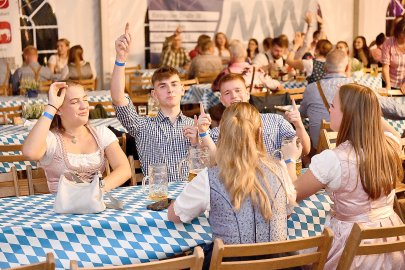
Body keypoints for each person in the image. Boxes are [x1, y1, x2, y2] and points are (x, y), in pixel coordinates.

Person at [283, 83, 405, 269]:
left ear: (348, 114)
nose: (329, 110)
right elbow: (392, 132)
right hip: (391, 243)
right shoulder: (390, 146)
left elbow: (291, 194)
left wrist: (291, 159)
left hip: (351, 247)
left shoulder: (333, 160)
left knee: (292, 255)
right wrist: (366, 104)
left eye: (332, 106)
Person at [168, 102, 296, 269]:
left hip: (229, 264)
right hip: (279, 266)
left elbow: (175, 215)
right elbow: (287, 212)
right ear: (259, 133)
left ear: (222, 135)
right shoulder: (280, 169)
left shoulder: (209, 177)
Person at [111, 24, 198, 182]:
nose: (170, 90)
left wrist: (202, 139)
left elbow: (213, 166)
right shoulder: (142, 126)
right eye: (162, 86)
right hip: (158, 200)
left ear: (182, 89)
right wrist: (120, 59)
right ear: (154, 95)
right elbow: (118, 99)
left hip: (191, 199)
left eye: (174, 84)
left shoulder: (196, 127)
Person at [22, 82, 131, 194]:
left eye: (85, 99)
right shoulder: (52, 139)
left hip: (95, 205)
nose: (84, 106)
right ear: (59, 110)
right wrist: (51, 107)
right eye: (74, 102)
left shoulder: (101, 133)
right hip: (61, 208)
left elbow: (124, 169)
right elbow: (30, 153)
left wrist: (98, 187)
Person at [201, 73, 311, 158]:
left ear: (247, 94)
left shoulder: (276, 121)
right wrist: (202, 133)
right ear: (222, 100)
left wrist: (299, 125)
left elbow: (304, 151)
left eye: (238, 90)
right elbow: (211, 163)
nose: (234, 96)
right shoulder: (218, 133)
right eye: (227, 93)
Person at [299, 49, 352, 147]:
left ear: (325, 67)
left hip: (320, 150)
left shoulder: (312, 88)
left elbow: (301, 113)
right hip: (351, 149)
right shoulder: (359, 88)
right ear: (347, 67)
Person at [382, 18, 405, 93]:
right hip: (390, 81)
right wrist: (388, 85)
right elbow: (385, 67)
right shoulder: (388, 43)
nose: (403, 35)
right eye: (402, 32)